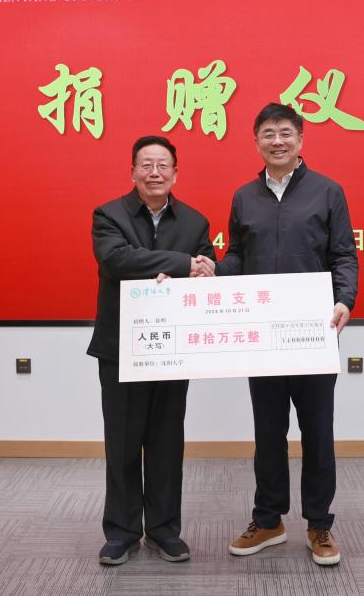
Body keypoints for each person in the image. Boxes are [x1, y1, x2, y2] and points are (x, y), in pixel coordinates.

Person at [215, 103, 358, 566]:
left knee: (318, 431)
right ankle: (269, 519)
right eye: (268, 134)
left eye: (285, 133)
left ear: (300, 139)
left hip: (314, 333)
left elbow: (343, 255)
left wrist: (344, 299)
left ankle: (319, 524)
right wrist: (211, 271)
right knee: (268, 431)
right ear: (256, 141)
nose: (277, 141)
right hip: (262, 337)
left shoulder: (327, 191)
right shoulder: (244, 197)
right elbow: (237, 256)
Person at [87, 135, 215, 565]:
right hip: (121, 349)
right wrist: (178, 265)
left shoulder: (195, 222)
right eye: (146, 165)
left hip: (173, 348)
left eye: (163, 165)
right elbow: (117, 260)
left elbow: (207, 268)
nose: (155, 172)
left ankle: (164, 531)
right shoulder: (109, 214)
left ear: (175, 173)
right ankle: (122, 533)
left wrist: (198, 270)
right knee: (122, 444)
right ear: (132, 172)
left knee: (166, 443)